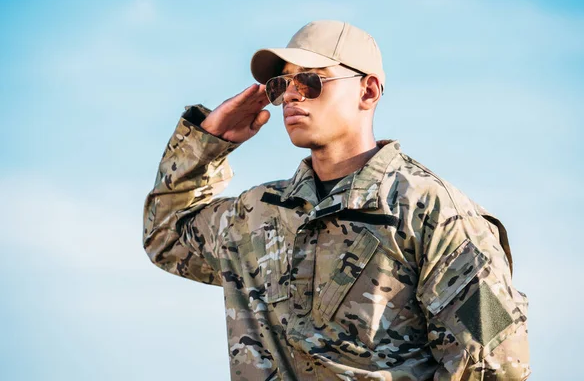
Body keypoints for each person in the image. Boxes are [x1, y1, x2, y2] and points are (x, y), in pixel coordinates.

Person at [143, 20, 531, 380]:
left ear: (368, 90)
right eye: (282, 85)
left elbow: (494, 364)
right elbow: (165, 235)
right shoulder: (258, 213)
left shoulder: (432, 211)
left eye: (311, 81)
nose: (292, 95)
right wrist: (207, 144)